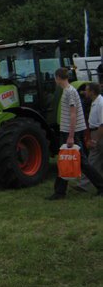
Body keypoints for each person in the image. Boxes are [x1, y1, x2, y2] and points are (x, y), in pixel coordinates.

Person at [48, 68, 103, 199]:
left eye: (55, 78)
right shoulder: (67, 91)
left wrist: (71, 136)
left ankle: (100, 186)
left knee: (79, 162)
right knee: (66, 159)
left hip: (70, 132)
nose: (55, 80)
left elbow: (73, 114)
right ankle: (60, 191)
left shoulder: (70, 91)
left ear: (58, 77)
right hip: (68, 131)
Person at [73, 82, 103, 191]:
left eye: (86, 90)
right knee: (94, 160)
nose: (84, 92)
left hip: (99, 133)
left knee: (93, 160)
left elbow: (102, 124)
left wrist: (95, 140)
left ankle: (84, 185)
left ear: (92, 92)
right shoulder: (95, 102)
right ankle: (86, 185)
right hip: (96, 133)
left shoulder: (100, 103)